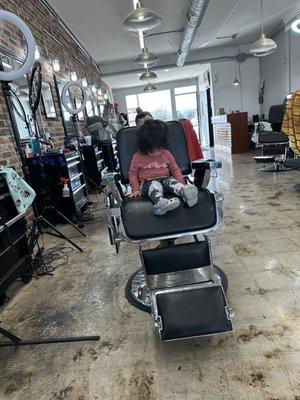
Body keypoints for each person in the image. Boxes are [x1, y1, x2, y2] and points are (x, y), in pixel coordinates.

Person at [129, 119, 198, 216]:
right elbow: (132, 174)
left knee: (172, 182)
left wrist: (182, 184)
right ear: (144, 146)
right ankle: (160, 204)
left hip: (165, 179)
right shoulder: (137, 157)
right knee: (155, 185)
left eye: (158, 149)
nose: (155, 153)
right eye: (152, 151)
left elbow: (175, 170)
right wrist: (135, 189)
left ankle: (186, 193)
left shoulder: (166, 153)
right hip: (147, 183)